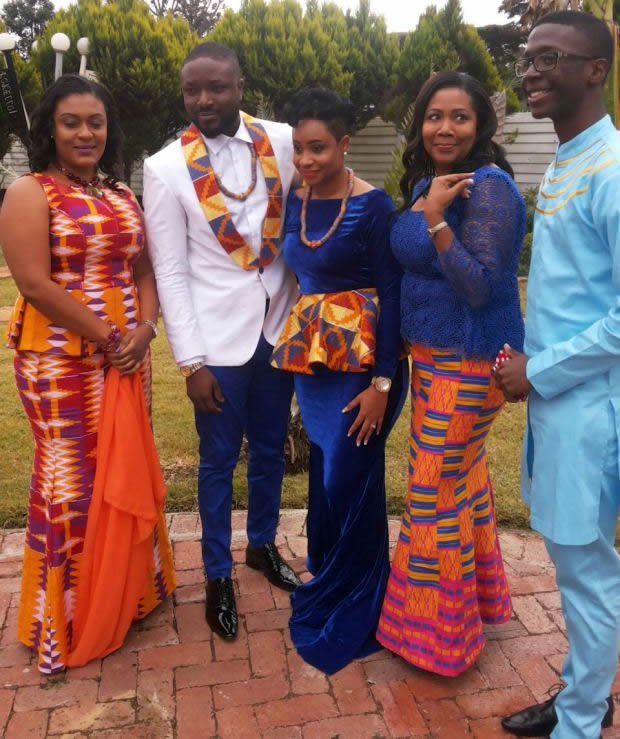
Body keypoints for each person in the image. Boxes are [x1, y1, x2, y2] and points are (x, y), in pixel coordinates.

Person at [0, 74, 176, 675]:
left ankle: (128, 597)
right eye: (71, 122)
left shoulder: (120, 192)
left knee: (124, 468)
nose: (84, 133)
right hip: (60, 362)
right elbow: (33, 283)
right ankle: (67, 619)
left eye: (95, 122)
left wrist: (145, 329)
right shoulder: (30, 192)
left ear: (108, 129)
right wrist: (108, 336)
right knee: (71, 482)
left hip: (128, 358)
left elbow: (144, 269)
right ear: (50, 129)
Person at [143, 42, 301, 642]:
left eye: (216, 87)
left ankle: (261, 545)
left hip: (277, 328)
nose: (203, 99)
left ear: (239, 85)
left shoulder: (282, 140)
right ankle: (216, 575)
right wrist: (190, 362)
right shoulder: (165, 168)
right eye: (193, 90)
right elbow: (170, 269)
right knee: (216, 462)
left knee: (270, 449)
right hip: (215, 345)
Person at [376, 71, 526, 676]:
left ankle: (438, 636)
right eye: (434, 116)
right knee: (461, 483)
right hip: (432, 361)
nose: (444, 128)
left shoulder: (489, 189)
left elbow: (480, 285)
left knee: (432, 490)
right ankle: (478, 605)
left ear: (480, 125)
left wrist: (436, 220)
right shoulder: (427, 182)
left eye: (459, 117)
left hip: (470, 359)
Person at [496, 11, 618, 739]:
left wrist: (538, 371)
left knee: (587, 574)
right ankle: (584, 696)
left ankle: (580, 723)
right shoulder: (569, 158)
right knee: (578, 569)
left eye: (550, 58)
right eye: (528, 56)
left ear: (596, 69)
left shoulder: (611, 171)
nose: (531, 71)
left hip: (589, 408)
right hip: (563, 403)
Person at [271, 87, 408, 674]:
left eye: (319, 148)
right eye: (299, 148)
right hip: (316, 364)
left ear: (344, 144)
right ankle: (329, 580)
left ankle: (360, 601)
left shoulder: (373, 206)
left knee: (349, 480)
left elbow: (393, 296)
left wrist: (382, 385)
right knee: (326, 478)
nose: (306, 160)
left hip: (363, 369)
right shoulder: (295, 199)